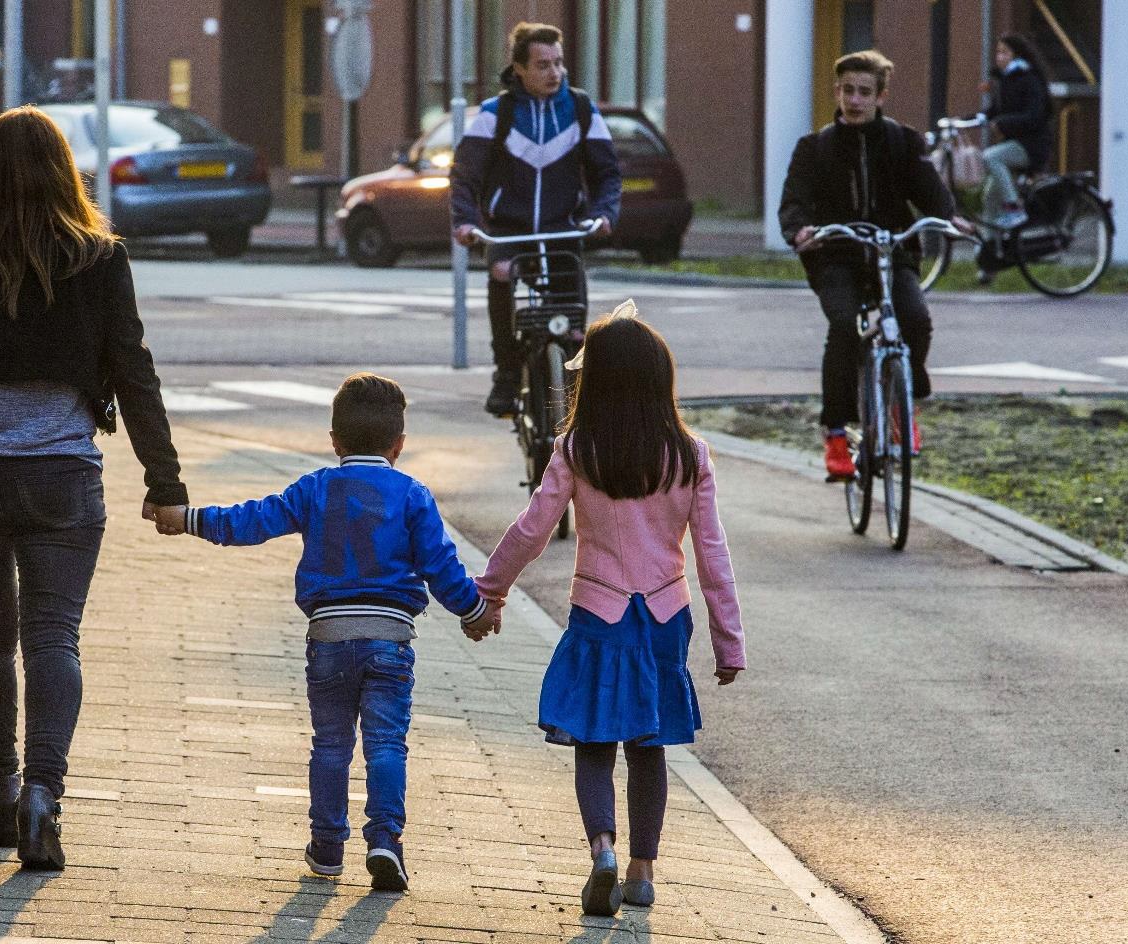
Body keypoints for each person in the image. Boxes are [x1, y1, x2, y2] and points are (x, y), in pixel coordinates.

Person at [0, 106, 190, 871]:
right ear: (67, 172)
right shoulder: (100, 260)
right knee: (53, 638)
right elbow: (133, 372)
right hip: (62, 474)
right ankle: (42, 797)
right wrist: (164, 482)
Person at [162, 373, 501, 892]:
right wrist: (474, 611)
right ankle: (385, 840)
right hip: (389, 639)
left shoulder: (315, 488)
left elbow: (253, 521)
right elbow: (441, 566)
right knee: (386, 743)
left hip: (328, 637)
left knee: (331, 744)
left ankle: (326, 847)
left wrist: (188, 518)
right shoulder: (412, 495)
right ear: (399, 444)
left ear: (335, 441)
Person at [467, 303, 745, 917]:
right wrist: (729, 642)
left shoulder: (576, 449)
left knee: (593, 741)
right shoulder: (691, 455)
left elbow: (532, 529)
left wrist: (489, 591)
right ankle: (643, 871)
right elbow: (712, 554)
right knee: (649, 747)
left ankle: (603, 850)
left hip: (598, 613)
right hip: (666, 619)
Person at [779, 50, 966, 480]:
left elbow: (930, 191)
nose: (855, 100)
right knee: (844, 327)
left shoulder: (903, 142)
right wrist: (799, 231)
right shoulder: (815, 148)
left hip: (892, 251)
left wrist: (949, 216)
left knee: (915, 319)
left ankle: (903, 405)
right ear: (836, 92)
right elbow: (794, 200)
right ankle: (836, 433)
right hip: (836, 256)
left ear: (880, 96)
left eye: (864, 92)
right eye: (847, 90)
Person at [449, 21, 621, 416]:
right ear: (520, 69)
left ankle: (576, 397)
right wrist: (465, 221)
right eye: (543, 65)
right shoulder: (496, 114)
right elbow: (465, 176)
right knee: (502, 275)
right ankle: (507, 374)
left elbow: (608, 173)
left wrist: (603, 213)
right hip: (510, 230)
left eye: (558, 63)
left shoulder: (581, 110)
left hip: (564, 228)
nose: (554, 72)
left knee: (574, 326)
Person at [976, 34, 1053, 256]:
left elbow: (1035, 116)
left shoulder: (1029, 79)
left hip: (1031, 146)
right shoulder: (1005, 80)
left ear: (1016, 55)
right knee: (990, 198)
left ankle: (1014, 208)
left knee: (991, 156)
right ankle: (991, 256)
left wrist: (1003, 122)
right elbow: (993, 112)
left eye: (1004, 52)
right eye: (998, 52)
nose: (999, 57)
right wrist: (962, 121)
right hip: (1015, 144)